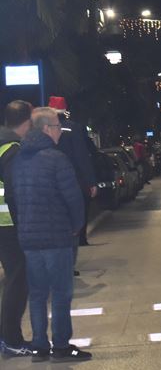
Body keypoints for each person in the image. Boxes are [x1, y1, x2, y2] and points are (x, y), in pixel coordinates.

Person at [12, 107, 90, 362]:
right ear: (46, 128)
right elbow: (73, 198)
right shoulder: (56, 159)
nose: (60, 132)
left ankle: (39, 346)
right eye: (57, 127)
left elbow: (15, 198)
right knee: (60, 293)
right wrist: (77, 226)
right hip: (57, 236)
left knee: (37, 294)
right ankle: (61, 345)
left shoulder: (19, 160)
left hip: (29, 238)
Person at [0, 101, 33, 357]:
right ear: (28, 122)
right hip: (9, 224)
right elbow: (14, 192)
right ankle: (11, 339)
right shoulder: (12, 150)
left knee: (13, 280)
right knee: (17, 281)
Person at [48, 96, 96, 266]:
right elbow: (82, 156)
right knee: (73, 218)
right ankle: (71, 257)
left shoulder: (43, 129)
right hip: (73, 180)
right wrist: (90, 181)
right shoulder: (74, 128)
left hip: (50, 182)